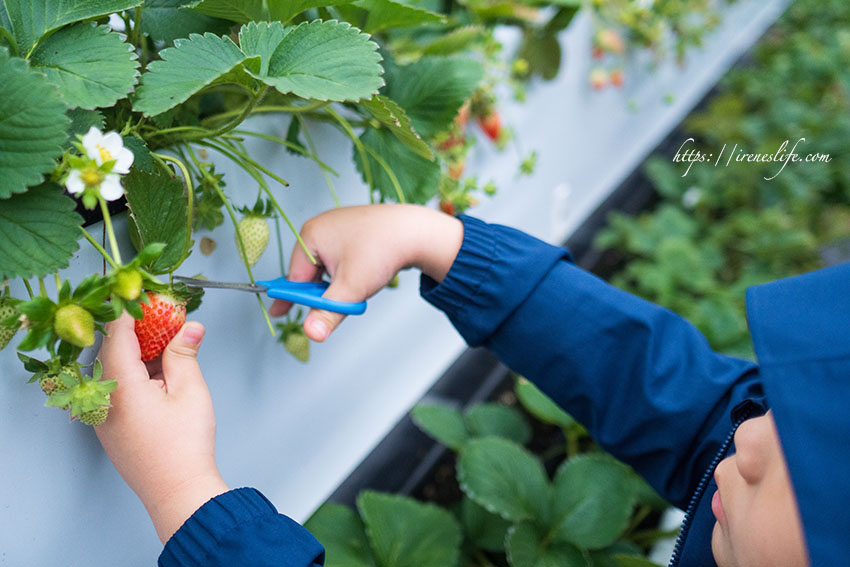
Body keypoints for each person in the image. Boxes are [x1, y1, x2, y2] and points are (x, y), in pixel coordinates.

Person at [96, 204, 849, 566]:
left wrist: (188, 500)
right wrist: (446, 246)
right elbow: (698, 410)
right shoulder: (752, 495)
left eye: (806, 457)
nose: (752, 435)